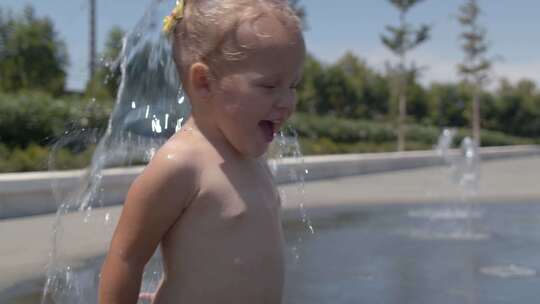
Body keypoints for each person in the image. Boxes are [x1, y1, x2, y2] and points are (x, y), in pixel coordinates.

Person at [98, 0, 305, 303]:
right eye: (270, 86)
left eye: (293, 85)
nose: (288, 101)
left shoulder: (250, 156)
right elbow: (125, 259)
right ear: (204, 82)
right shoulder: (180, 165)